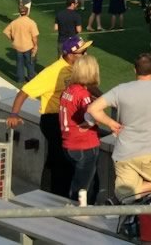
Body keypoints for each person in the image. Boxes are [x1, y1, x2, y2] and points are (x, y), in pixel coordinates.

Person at [87, 53, 151, 202]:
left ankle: (123, 196)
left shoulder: (121, 90)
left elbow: (93, 109)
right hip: (149, 154)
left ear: (134, 70)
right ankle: (143, 193)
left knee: (126, 195)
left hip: (123, 154)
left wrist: (111, 123)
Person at [8, 36, 93, 196]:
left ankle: (48, 194)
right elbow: (24, 92)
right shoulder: (52, 72)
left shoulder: (76, 68)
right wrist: (14, 113)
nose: (86, 54)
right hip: (53, 120)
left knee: (56, 159)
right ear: (70, 54)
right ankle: (57, 197)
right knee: (63, 160)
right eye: (83, 52)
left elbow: (88, 87)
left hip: (65, 119)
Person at [59, 53, 102, 204]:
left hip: (68, 143)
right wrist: (91, 123)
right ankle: (78, 223)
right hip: (84, 145)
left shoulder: (68, 90)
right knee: (84, 191)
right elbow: (92, 115)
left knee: (78, 184)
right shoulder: (82, 94)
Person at [3, 4, 40, 85]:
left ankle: (20, 79)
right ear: (27, 12)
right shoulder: (31, 22)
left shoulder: (14, 22)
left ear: (19, 12)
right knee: (30, 63)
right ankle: (31, 78)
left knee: (19, 63)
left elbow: (6, 32)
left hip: (17, 46)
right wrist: (35, 45)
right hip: (28, 46)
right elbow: (34, 37)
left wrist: (13, 39)